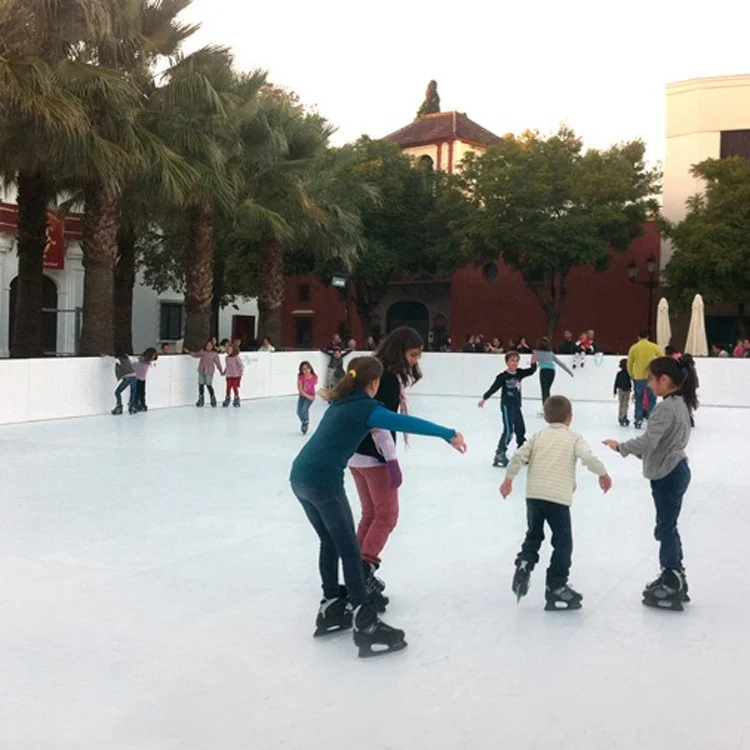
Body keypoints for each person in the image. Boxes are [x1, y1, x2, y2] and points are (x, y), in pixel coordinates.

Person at [289, 356, 467, 658]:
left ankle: (331, 606)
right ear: (374, 383)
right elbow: (403, 422)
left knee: (330, 542)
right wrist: (447, 433)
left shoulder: (342, 403)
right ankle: (366, 624)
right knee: (349, 550)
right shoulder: (365, 408)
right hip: (323, 483)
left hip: (299, 477)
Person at [603, 356, 697, 610]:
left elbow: (649, 440)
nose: (649, 385)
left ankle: (672, 577)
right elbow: (664, 440)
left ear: (665, 380)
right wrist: (648, 451)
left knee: (665, 528)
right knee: (668, 526)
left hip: (668, 473)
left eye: (651, 380)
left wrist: (621, 447)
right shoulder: (680, 403)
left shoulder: (665, 408)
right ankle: (676, 573)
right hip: (675, 468)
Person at [500, 395, 612, 610]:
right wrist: (603, 474)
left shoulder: (538, 436)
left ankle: (525, 562)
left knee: (533, 535)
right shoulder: (574, 439)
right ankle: (556, 587)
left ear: (546, 418)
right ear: (570, 417)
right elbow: (588, 458)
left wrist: (508, 480)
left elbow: (517, 456)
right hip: (558, 499)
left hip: (534, 496)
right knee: (562, 543)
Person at [349, 326, 423, 610]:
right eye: (413, 354)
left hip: (355, 456)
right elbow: (382, 425)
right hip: (373, 457)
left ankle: (356, 570)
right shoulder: (388, 380)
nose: (415, 361)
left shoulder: (375, 372)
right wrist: (391, 462)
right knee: (387, 516)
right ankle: (365, 571)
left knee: (370, 514)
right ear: (399, 351)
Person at [478, 351, 537, 467]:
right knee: (509, 430)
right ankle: (500, 453)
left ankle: (522, 452)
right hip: (506, 406)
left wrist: (533, 364)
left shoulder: (519, 373)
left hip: (516, 406)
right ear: (507, 363)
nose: (514, 363)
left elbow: (531, 371)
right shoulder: (503, 377)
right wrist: (484, 398)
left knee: (520, 429)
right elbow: (493, 388)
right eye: (512, 360)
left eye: (516, 360)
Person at [627, 329, 664, 429]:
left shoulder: (634, 348)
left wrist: (631, 374)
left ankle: (638, 420)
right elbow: (662, 357)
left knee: (638, 399)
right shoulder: (653, 346)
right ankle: (651, 419)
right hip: (651, 377)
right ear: (648, 337)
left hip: (638, 377)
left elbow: (629, 363)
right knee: (652, 399)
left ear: (638, 337)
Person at [533, 337, 574, 410]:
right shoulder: (551, 353)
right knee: (547, 390)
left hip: (544, 371)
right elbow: (560, 363)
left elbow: (534, 362)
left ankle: (545, 408)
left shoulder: (536, 353)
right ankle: (547, 407)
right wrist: (569, 372)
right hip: (552, 372)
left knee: (544, 390)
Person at [187, 339, 225, 407]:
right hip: (201, 370)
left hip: (209, 371)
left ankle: (212, 397)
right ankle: (201, 398)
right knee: (201, 384)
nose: (208, 347)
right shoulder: (202, 352)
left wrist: (220, 370)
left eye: (210, 345)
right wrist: (189, 352)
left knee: (208, 384)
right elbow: (196, 355)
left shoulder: (214, 354)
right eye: (207, 345)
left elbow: (217, 363)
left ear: (212, 346)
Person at [109, 351, 137, 415]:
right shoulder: (127, 357)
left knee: (117, 392)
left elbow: (110, 360)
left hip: (127, 377)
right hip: (134, 375)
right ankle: (132, 406)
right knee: (133, 391)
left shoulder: (117, 359)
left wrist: (104, 356)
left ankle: (119, 406)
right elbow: (135, 359)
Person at [133, 348, 158, 412]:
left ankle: (142, 404)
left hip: (142, 378)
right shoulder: (142, 360)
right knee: (138, 392)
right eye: (153, 355)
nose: (153, 357)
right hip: (137, 378)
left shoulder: (147, 361)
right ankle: (136, 404)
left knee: (142, 392)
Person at [296, 360, 318, 434]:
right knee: (299, 411)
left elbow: (315, 383)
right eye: (304, 369)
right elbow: (300, 389)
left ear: (310, 368)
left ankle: (305, 422)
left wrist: (312, 396)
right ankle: (304, 421)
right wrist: (307, 396)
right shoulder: (301, 377)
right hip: (303, 396)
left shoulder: (314, 376)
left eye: (307, 368)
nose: (306, 371)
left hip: (311, 395)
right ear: (301, 371)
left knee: (304, 410)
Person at [223, 342, 244, 407]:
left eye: (230, 350)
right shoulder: (227, 358)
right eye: (228, 349)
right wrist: (224, 372)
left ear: (234, 350)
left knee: (235, 387)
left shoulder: (236, 357)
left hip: (235, 375)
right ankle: (227, 398)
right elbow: (227, 366)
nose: (229, 351)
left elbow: (241, 365)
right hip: (229, 375)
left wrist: (240, 372)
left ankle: (236, 398)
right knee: (228, 388)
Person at [614, 358, 632, 426]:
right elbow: (629, 382)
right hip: (626, 390)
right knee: (625, 403)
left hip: (620, 390)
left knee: (621, 403)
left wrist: (615, 390)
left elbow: (616, 382)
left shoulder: (619, 373)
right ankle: (624, 415)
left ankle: (620, 415)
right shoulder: (628, 374)